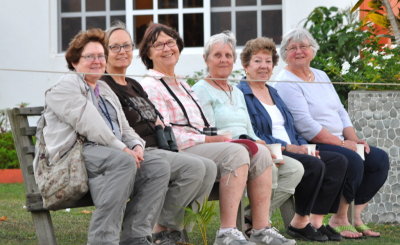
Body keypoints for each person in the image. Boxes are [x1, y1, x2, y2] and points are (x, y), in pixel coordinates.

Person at [139, 23, 296, 245]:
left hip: (199, 144)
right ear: (148, 52)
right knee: (235, 153)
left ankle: (260, 229)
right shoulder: (150, 85)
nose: (167, 48)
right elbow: (166, 133)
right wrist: (210, 139)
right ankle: (227, 232)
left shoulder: (182, 83)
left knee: (260, 153)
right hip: (179, 149)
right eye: (159, 44)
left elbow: (201, 125)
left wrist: (221, 136)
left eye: (171, 42)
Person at [43, 28, 170, 245]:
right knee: (122, 162)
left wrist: (137, 145)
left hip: (108, 155)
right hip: (74, 155)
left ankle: (135, 237)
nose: (97, 61)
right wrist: (121, 148)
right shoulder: (65, 86)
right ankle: (103, 240)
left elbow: (125, 126)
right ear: (75, 61)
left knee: (158, 166)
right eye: (89, 56)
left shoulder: (103, 88)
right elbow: (90, 124)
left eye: (101, 56)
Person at [102, 22, 217, 244]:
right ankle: (163, 230)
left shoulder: (133, 84)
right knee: (194, 167)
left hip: (161, 148)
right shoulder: (105, 85)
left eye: (126, 45)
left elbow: (156, 118)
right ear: (104, 52)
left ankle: (169, 228)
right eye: (115, 47)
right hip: (139, 153)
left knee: (209, 167)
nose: (122, 51)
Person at [275, 27, 390, 239]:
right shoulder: (286, 81)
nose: (299, 51)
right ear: (285, 53)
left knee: (379, 160)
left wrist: (353, 139)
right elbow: (306, 125)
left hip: (339, 139)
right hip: (312, 141)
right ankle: (340, 217)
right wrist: (341, 143)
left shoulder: (320, 74)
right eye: (293, 48)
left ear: (313, 50)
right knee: (353, 159)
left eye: (304, 46)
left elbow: (340, 111)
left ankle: (356, 217)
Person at [191, 31, 303, 239]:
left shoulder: (237, 92)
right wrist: (251, 145)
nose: (224, 60)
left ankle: (260, 228)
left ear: (234, 60)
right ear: (206, 59)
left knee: (291, 166)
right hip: (222, 150)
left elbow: (250, 129)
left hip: (249, 146)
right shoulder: (200, 90)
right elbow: (209, 130)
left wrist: (263, 145)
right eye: (218, 55)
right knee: (264, 161)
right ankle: (238, 228)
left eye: (228, 55)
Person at [237, 37, 349, 241]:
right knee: (314, 165)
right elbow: (254, 132)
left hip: (292, 146)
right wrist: (291, 147)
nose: (264, 66)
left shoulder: (273, 92)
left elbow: (290, 125)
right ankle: (283, 220)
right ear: (246, 65)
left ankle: (310, 221)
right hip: (269, 148)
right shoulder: (242, 94)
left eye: (268, 61)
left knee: (337, 161)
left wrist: (303, 146)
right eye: (258, 61)